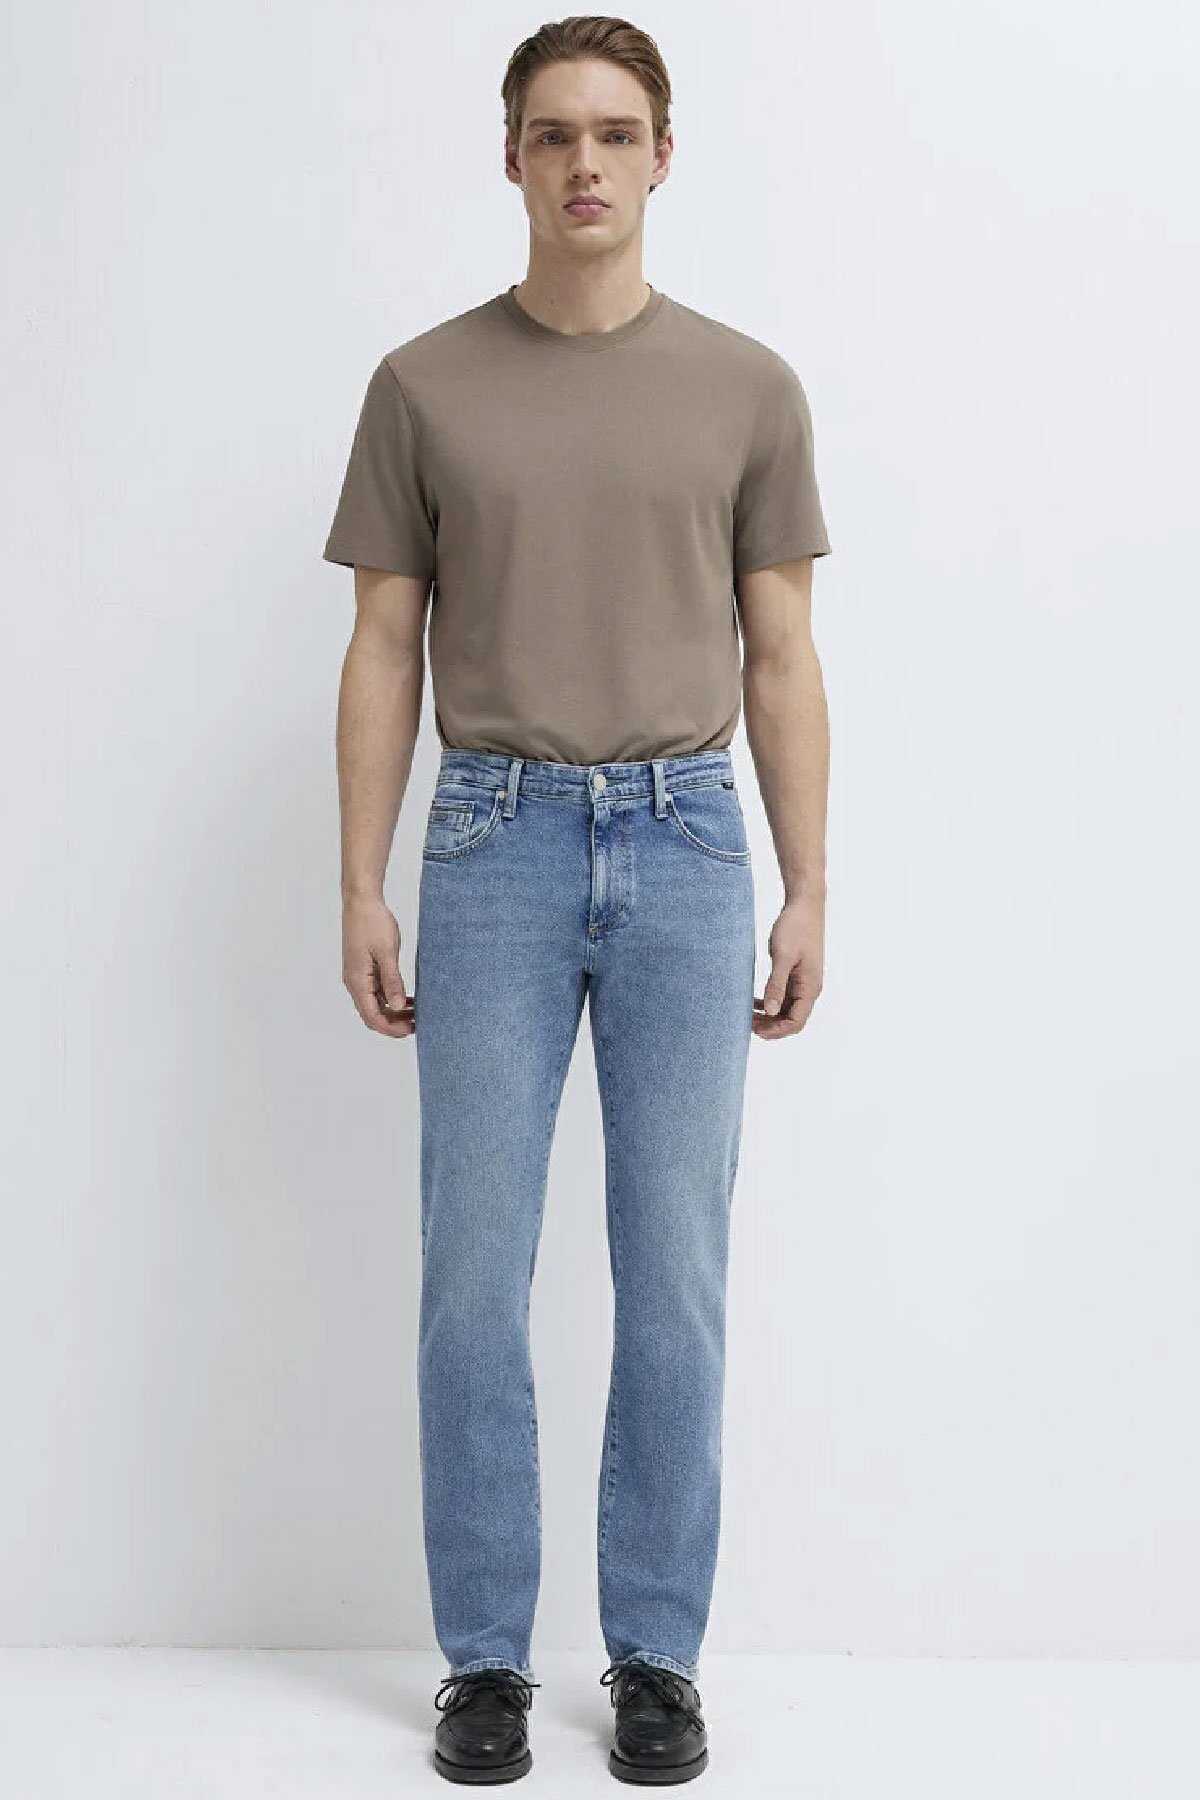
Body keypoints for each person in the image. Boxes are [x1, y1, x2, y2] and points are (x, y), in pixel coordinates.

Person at [322, 14, 831, 1786]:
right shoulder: (424, 385)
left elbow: (783, 654)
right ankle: (483, 1661)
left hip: (689, 842)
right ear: (513, 159)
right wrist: (360, 879)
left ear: (664, 156)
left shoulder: (749, 388)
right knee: (472, 1271)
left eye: (618, 132)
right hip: (493, 842)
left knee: (674, 1273)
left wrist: (808, 884)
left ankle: (656, 1654)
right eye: (555, 134)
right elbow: (383, 644)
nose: (587, 163)